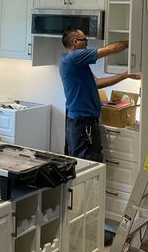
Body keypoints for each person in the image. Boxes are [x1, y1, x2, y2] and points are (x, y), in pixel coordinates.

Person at [59, 29, 140, 162]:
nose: (87, 44)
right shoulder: (74, 57)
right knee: (86, 165)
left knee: (90, 164)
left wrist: (125, 75)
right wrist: (133, 42)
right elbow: (111, 49)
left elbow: (97, 83)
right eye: (84, 40)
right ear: (74, 42)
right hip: (82, 123)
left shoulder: (74, 62)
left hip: (84, 122)